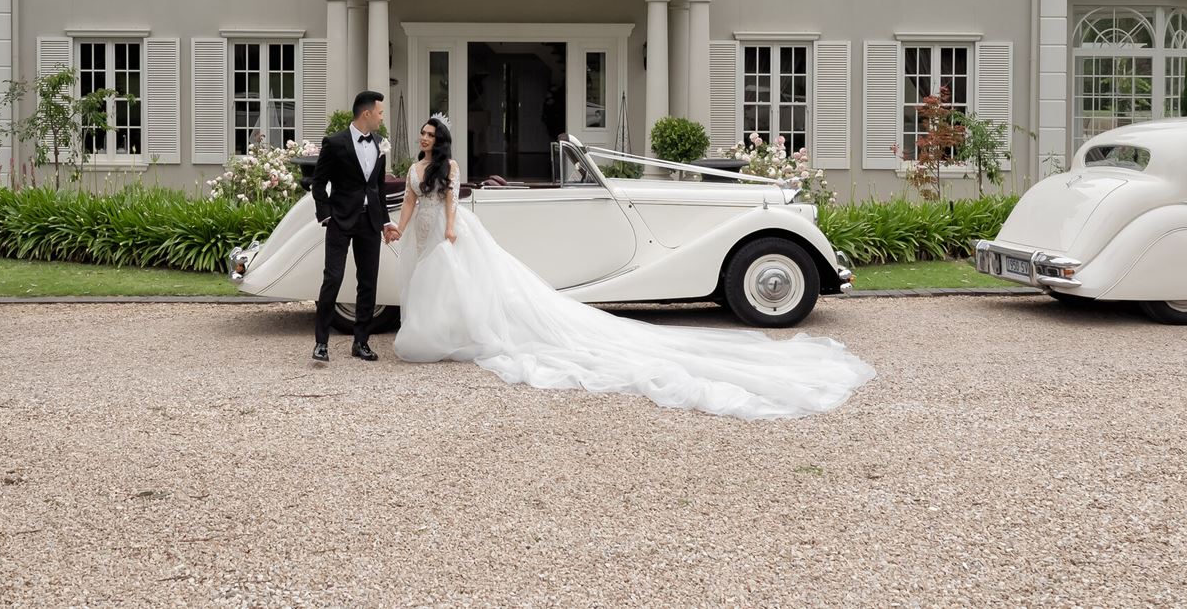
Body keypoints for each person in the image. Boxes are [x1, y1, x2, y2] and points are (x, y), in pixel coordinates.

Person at [389, 115, 874, 419]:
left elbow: (449, 201)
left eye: (431, 134)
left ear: (441, 141)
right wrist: (403, 228)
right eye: (424, 133)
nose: (426, 138)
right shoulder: (421, 170)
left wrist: (448, 225)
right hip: (435, 233)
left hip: (448, 228)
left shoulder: (445, 169)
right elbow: (417, 205)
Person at [309, 90, 396, 362]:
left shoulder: (381, 143)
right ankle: (321, 343)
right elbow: (318, 183)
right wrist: (326, 215)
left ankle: (361, 342)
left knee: (368, 282)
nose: (382, 118)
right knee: (332, 279)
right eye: (380, 113)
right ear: (366, 113)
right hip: (341, 221)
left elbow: (378, 187)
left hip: (370, 223)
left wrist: (384, 222)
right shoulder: (334, 143)